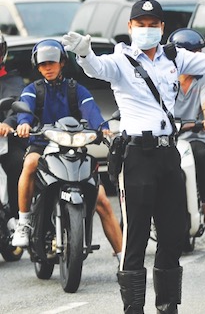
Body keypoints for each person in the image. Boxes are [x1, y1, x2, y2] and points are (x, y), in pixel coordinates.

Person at [61, 0, 205, 314]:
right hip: (136, 156)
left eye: (152, 25)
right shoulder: (120, 60)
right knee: (136, 238)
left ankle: (167, 306)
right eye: (140, 25)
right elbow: (97, 69)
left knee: (173, 236)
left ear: (162, 28)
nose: (146, 30)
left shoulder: (174, 57)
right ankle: (133, 309)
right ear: (130, 27)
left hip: (168, 154)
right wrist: (84, 53)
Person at [9, 40, 123, 262]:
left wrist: (104, 128)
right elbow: (25, 110)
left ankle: (124, 259)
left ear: (62, 63)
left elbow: (91, 111)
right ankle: (23, 221)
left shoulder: (75, 89)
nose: (48, 68)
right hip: (42, 145)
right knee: (30, 163)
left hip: (74, 148)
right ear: (37, 67)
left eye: (52, 63)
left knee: (102, 200)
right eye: (43, 65)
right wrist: (23, 123)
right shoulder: (32, 90)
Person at [168, 28, 205, 229]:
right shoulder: (165, 76)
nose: (199, 58)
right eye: (195, 54)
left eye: (200, 54)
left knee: (203, 158)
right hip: (166, 137)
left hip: (193, 135)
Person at [0, 33, 26, 220]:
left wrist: (7, 124)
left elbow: (16, 104)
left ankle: (17, 218)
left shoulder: (12, 80)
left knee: (19, 164)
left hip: (6, 141)